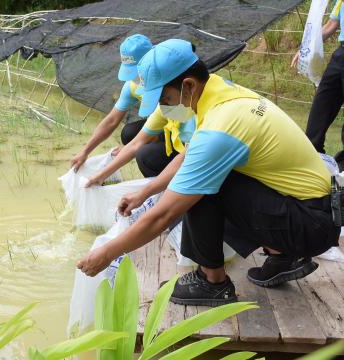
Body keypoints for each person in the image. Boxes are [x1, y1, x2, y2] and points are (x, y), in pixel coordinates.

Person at [78, 39, 340, 307]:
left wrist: (107, 253)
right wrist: (143, 194)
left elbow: (165, 214)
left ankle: (211, 281)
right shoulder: (223, 92)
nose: (165, 107)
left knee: (198, 189)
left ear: (189, 85)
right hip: (319, 210)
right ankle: (282, 254)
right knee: (204, 174)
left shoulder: (220, 128)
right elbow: (189, 155)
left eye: (166, 99)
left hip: (312, 225)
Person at [71, 34, 152, 171]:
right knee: (129, 133)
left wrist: (131, 147)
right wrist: (85, 151)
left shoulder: (167, 83)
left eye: (137, 70)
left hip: (183, 128)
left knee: (147, 154)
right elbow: (112, 120)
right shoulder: (132, 85)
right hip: (160, 125)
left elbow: (163, 126)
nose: (134, 76)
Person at [291, 0, 343, 156]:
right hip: (341, 56)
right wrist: (306, 47)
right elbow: (331, 24)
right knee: (321, 107)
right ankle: (315, 158)